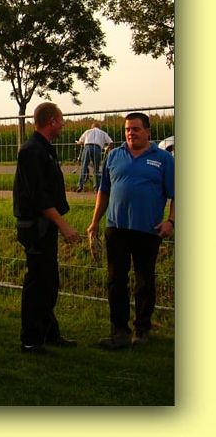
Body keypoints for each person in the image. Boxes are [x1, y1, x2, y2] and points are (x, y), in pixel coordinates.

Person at [86, 112, 175, 349]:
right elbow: (103, 191)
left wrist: (171, 221)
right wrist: (95, 222)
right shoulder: (114, 155)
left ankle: (142, 329)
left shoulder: (163, 159)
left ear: (147, 131)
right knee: (116, 281)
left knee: (144, 281)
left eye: (136, 129)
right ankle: (119, 332)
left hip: (148, 230)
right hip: (116, 229)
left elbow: (176, 193)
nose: (130, 133)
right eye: (127, 129)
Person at [13, 102, 82, 354]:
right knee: (39, 283)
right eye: (61, 119)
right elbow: (38, 197)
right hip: (36, 227)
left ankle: (49, 332)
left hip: (45, 226)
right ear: (52, 120)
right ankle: (31, 339)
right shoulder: (32, 151)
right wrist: (64, 226)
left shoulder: (44, 149)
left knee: (48, 281)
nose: (63, 124)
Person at [75, 122, 113, 191]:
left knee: (84, 166)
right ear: (99, 127)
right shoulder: (103, 133)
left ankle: (80, 185)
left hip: (87, 147)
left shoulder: (87, 131)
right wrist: (107, 148)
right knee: (96, 168)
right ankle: (97, 187)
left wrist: (77, 142)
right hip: (97, 148)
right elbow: (111, 142)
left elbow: (80, 141)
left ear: (92, 127)